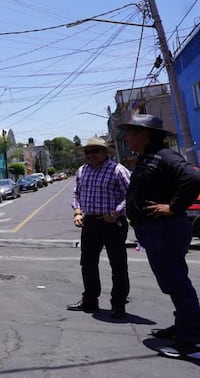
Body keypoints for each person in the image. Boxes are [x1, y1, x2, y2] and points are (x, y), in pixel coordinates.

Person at [120, 113, 200, 360]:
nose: (126, 138)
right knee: (172, 283)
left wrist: (173, 207)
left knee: (177, 283)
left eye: (131, 132)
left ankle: (191, 340)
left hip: (165, 230)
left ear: (145, 134)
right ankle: (184, 326)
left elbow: (194, 177)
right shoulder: (148, 158)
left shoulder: (165, 157)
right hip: (155, 232)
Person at [68, 136, 131, 318]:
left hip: (113, 223)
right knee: (87, 262)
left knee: (118, 264)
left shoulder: (118, 170)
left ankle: (118, 304)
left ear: (105, 152)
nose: (91, 155)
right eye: (87, 152)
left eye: (95, 151)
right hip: (90, 222)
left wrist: (117, 212)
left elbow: (132, 195)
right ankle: (90, 300)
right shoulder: (82, 171)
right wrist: (78, 212)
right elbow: (76, 194)